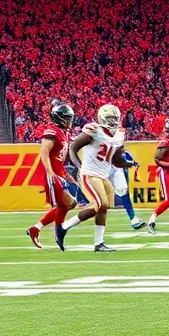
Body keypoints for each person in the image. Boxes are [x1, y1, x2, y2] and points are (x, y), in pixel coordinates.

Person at [55, 104, 127, 252]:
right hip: (89, 173)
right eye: (109, 118)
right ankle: (63, 227)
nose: (112, 122)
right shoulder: (94, 130)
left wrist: (128, 163)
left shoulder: (120, 134)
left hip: (103, 175)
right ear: (101, 118)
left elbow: (116, 159)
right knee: (101, 204)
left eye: (114, 119)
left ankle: (99, 243)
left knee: (103, 207)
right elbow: (73, 147)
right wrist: (79, 165)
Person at [26, 100, 78, 248]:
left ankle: (37, 229)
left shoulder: (64, 132)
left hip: (59, 172)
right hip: (52, 173)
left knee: (67, 204)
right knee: (67, 204)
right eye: (67, 118)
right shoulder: (52, 132)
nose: (69, 121)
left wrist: (65, 174)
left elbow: (59, 157)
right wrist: (51, 173)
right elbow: (44, 153)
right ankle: (57, 232)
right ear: (59, 118)